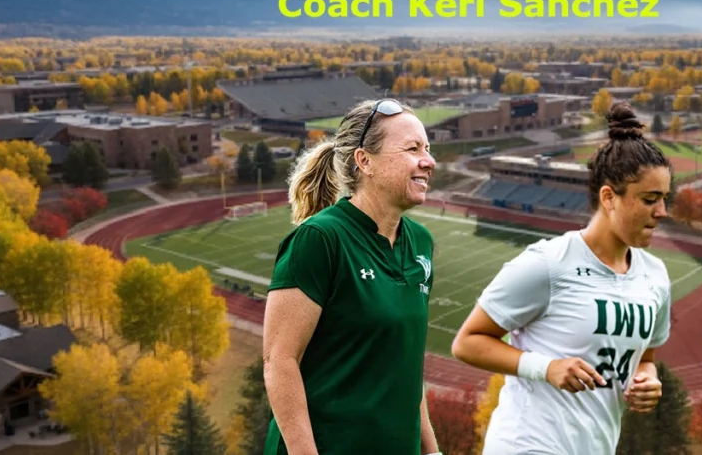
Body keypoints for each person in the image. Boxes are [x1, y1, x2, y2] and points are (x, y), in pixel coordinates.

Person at [452, 101, 675, 455]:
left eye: (664, 198)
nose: (661, 211)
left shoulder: (656, 277)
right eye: (650, 199)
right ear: (609, 197)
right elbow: (467, 342)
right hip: (526, 445)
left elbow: (644, 358)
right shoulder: (548, 264)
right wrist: (547, 368)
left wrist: (647, 378)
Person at [262, 98, 442, 455]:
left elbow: (405, 370)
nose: (428, 161)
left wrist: (432, 451)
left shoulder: (421, 243)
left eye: (427, 149)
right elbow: (279, 362)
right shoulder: (320, 239)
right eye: (412, 149)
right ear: (365, 161)